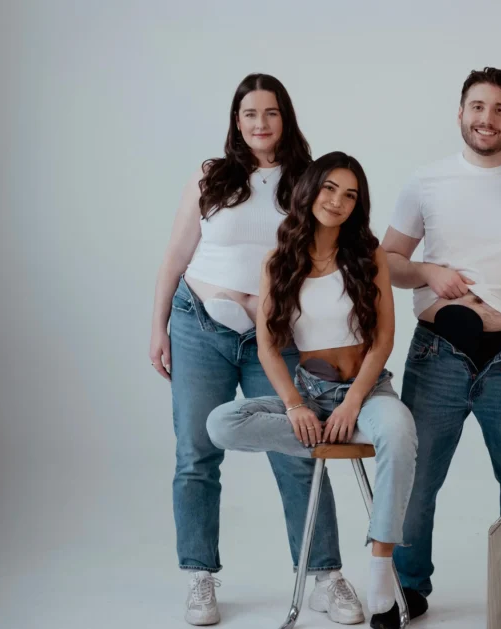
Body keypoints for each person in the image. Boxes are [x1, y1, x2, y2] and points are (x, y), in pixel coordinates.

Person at [147, 74, 361, 625]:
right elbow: (175, 255)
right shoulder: (211, 176)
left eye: (270, 112)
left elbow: (332, 252)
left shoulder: (307, 181)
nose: (260, 123)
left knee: (300, 450)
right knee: (196, 453)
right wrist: (158, 327)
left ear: (285, 118)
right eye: (249, 113)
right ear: (236, 121)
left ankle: (325, 576)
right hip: (199, 325)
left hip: (275, 335)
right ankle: (200, 576)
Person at [374, 67, 501, 629]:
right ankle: (408, 588)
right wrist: (428, 271)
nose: (487, 118)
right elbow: (386, 262)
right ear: (460, 113)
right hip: (438, 354)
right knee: (418, 476)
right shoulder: (426, 181)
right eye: (478, 107)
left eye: (499, 109)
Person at [207, 152, 418, 623]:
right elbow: (267, 345)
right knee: (221, 422)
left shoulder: (369, 256)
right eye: (329, 188)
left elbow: (384, 339)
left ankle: (380, 562)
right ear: (310, 190)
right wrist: (296, 407)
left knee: (399, 430)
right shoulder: (279, 261)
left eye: (350, 195)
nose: (337, 201)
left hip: (366, 393)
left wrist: (353, 404)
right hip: (312, 397)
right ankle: (321, 437)